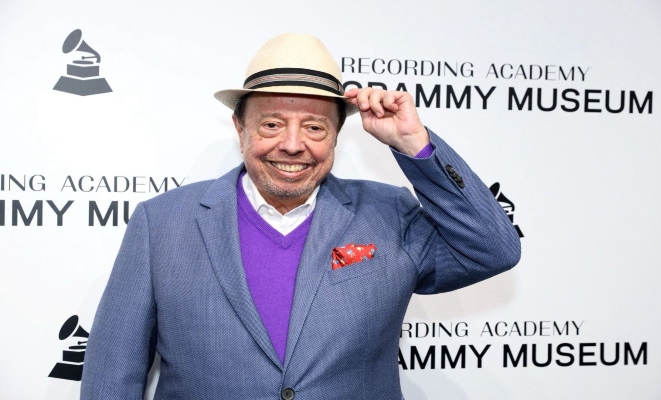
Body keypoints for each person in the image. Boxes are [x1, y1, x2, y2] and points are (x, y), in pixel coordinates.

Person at [80, 33, 520, 400]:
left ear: (337, 135)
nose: (292, 145)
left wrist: (414, 145)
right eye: (271, 124)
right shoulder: (161, 224)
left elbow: (494, 250)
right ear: (240, 129)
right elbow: (112, 376)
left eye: (314, 127)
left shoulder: (390, 214)